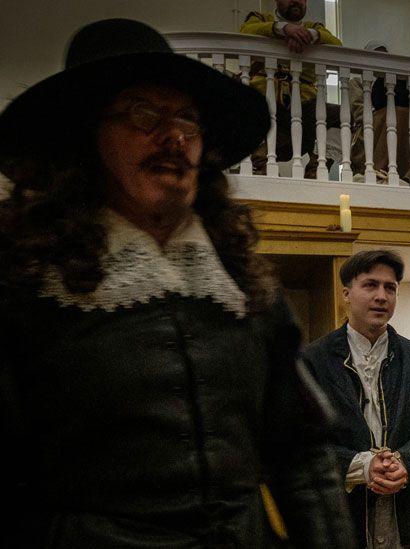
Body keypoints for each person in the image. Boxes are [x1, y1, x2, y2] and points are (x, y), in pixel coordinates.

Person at [0, 18, 351, 547]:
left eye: (188, 120)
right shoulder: (26, 282)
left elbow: (302, 454)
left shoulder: (241, 281)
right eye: (145, 115)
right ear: (84, 139)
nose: (175, 138)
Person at [303, 250, 410, 548]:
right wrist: (362, 465)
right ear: (346, 293)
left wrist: (403, 463)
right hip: (341, 520)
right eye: (370, 285)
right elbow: (300, 441)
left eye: (390, 288)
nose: (381, 296)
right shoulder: (311, 362)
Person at [241, 0, 343, 177]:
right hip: (266, 98)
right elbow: (246, 32)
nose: (296, 1)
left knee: (343, 116)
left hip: (305, 105)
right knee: (252, 108)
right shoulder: (261, 19)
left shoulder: (314, 27)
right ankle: (262, 161)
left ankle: (317, 165)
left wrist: (310, 35)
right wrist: (283, 30)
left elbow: (336, 45)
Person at [350, 41, 410, 185]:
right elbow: (361, 114)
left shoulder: (396, 82)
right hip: (370, 129)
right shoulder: (357, 82)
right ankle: (379, 173)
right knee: (396, 115)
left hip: (401, 124)